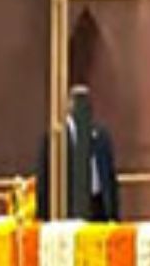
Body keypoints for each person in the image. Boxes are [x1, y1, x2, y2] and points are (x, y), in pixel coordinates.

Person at [35, 85, 121, 221]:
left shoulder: (101, 136)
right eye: (78, 100)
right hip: (70, 209)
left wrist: (114, 214)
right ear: (69, 105)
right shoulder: (56, 138)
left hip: (98, 208)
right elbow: (44, 179)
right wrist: (42, 216)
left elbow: (110, 178)